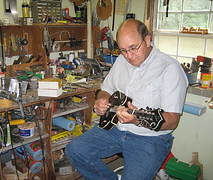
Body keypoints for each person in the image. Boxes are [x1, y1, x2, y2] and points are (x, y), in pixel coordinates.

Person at [65, 19, 188, 180]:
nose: (129, 56)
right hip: (117, 128)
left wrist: (137, 119)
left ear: (148, 40)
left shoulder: (170, 69)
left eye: (133, 48)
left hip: (150, 138)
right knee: (74, 150)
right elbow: (105, 90)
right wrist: (101, 101)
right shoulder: (122, 61)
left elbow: (172, 120)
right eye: (123, 50)